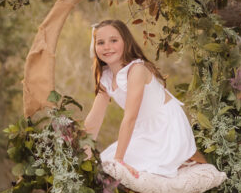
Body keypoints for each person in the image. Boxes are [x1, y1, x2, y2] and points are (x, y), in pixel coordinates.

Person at [84, 19, 207, 179]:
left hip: (165, 127)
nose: (107, 47)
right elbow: (94, 119)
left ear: (126, 42)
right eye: (100, 42)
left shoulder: (136, 70)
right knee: (103, 161)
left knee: (119, 165)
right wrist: (82, 151)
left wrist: (119, 159)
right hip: (142, 129)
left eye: (113, 40)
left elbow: (130, 117)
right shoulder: (106, 77)